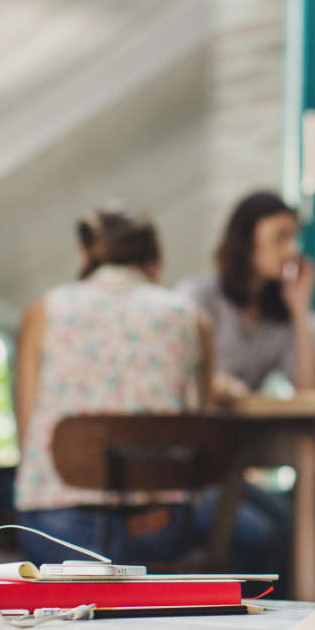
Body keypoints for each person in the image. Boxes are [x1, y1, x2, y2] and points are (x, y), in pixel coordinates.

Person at [14, 207, 213, 563]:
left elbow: (29, 433)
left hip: (57, 524)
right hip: (157, 525)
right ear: (155, 259)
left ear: (85, 254)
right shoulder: (190, 317)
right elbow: (201, 423)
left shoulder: (45, 310)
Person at [178, 191, 315, 402]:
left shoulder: (278, 312)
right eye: (281, 238)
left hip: (245, 428)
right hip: (198, 425)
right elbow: (181, 373)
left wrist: (301, 308)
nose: (292, 250)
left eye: (294, 238)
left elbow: (310, 392)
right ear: (246, 241)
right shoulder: (198, 296)